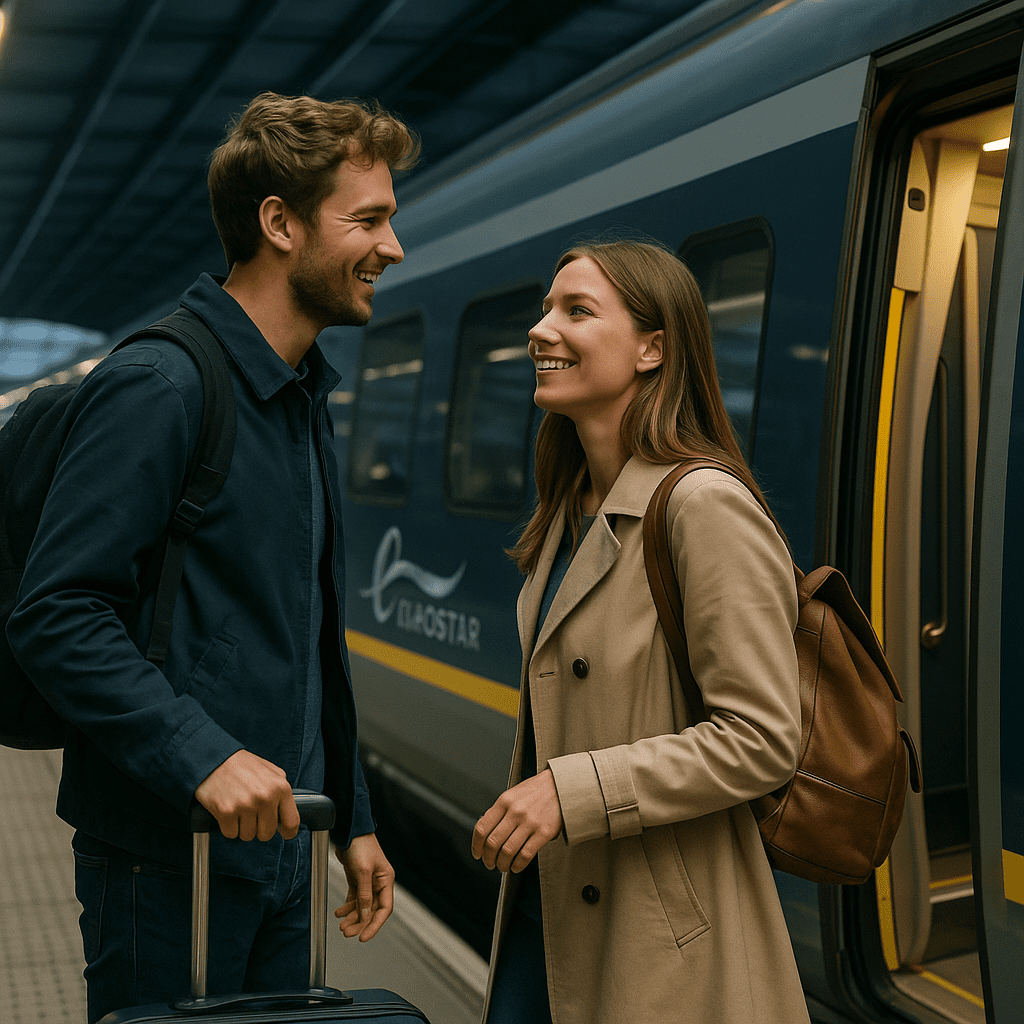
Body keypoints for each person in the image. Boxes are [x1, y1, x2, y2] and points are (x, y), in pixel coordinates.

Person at [6, 91, 418, 1022]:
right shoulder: (160, 386)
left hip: (283, 845)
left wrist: (350, 817)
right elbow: (57, 611)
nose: (394, 248)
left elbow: (309, 638)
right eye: (370, 220)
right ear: (279, 222)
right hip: (167, 850)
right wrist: (202, 755)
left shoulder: (299, 397)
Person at [471, 239, 812, 1023]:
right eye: (545, 308)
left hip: (657, 944)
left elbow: (764, 736)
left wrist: (570, 788)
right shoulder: (568, 510)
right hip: (548, 913)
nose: (540, 329)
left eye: (577, 310)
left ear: (654, 348)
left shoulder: (702, 505)